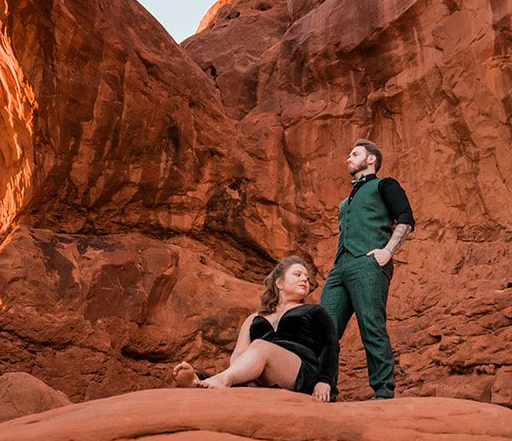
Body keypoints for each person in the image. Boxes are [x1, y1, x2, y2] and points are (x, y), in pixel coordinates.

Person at [319, 139, 414, 399]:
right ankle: (323, 388)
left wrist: (387, 252)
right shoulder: (344, 201)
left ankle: (383, 392)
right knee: (323, 328)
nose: (348, 158)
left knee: (371, 325)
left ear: (371, 159)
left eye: (355, 154)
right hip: (341, 266)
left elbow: (406, 218)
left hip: (368, 262)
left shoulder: (385, 185)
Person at [173, 255, 338, 401]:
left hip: (298, 371)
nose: (305, 279)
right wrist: (243, 371)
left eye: (307, 278)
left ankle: (221, 380)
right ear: (279, 283)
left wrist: (325, 380)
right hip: (260, 375)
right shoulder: (254, 318)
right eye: (297, 274)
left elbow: (330, 346)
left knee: (259, 346)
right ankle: (197, 380)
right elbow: (239, 353)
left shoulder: (314, 311)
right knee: (252, 354)